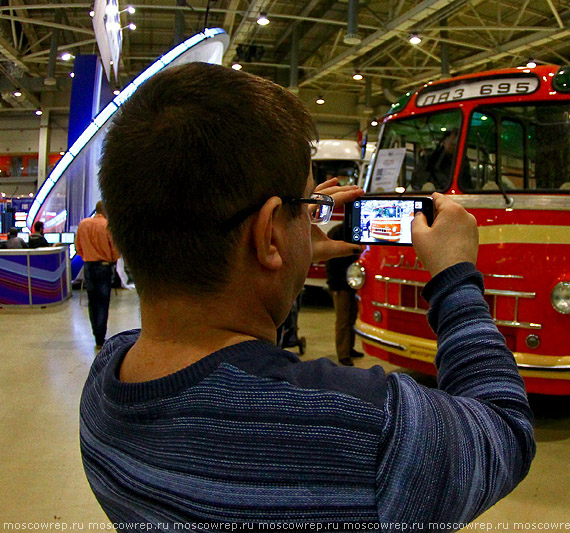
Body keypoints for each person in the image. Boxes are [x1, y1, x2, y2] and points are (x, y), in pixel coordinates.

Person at [80, 63, 534, 529]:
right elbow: (503, 429)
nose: (314, 215)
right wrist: (456, 277)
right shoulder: (366, 429)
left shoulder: (101, 389)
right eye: (306, 205)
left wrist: (284, 250)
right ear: (268, 235)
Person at [75, 201, 120, 349]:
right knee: (103, 302)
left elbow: (78, 247)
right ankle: (101, 337)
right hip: (104, 267)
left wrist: (87, 256)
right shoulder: (108, 226)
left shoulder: (83, 224)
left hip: (88, 265)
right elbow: (114, 249)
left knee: (92, 301)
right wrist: (113, 259)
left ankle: (96, 333)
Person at [325, 223, 363, 366]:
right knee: (343, 320)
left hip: (352, 285)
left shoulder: (352, 233)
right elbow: (331, 263)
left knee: (351, 317)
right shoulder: (336, 234)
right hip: (340, 285)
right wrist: (334, 285)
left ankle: (349, 348)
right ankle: (343, 353)